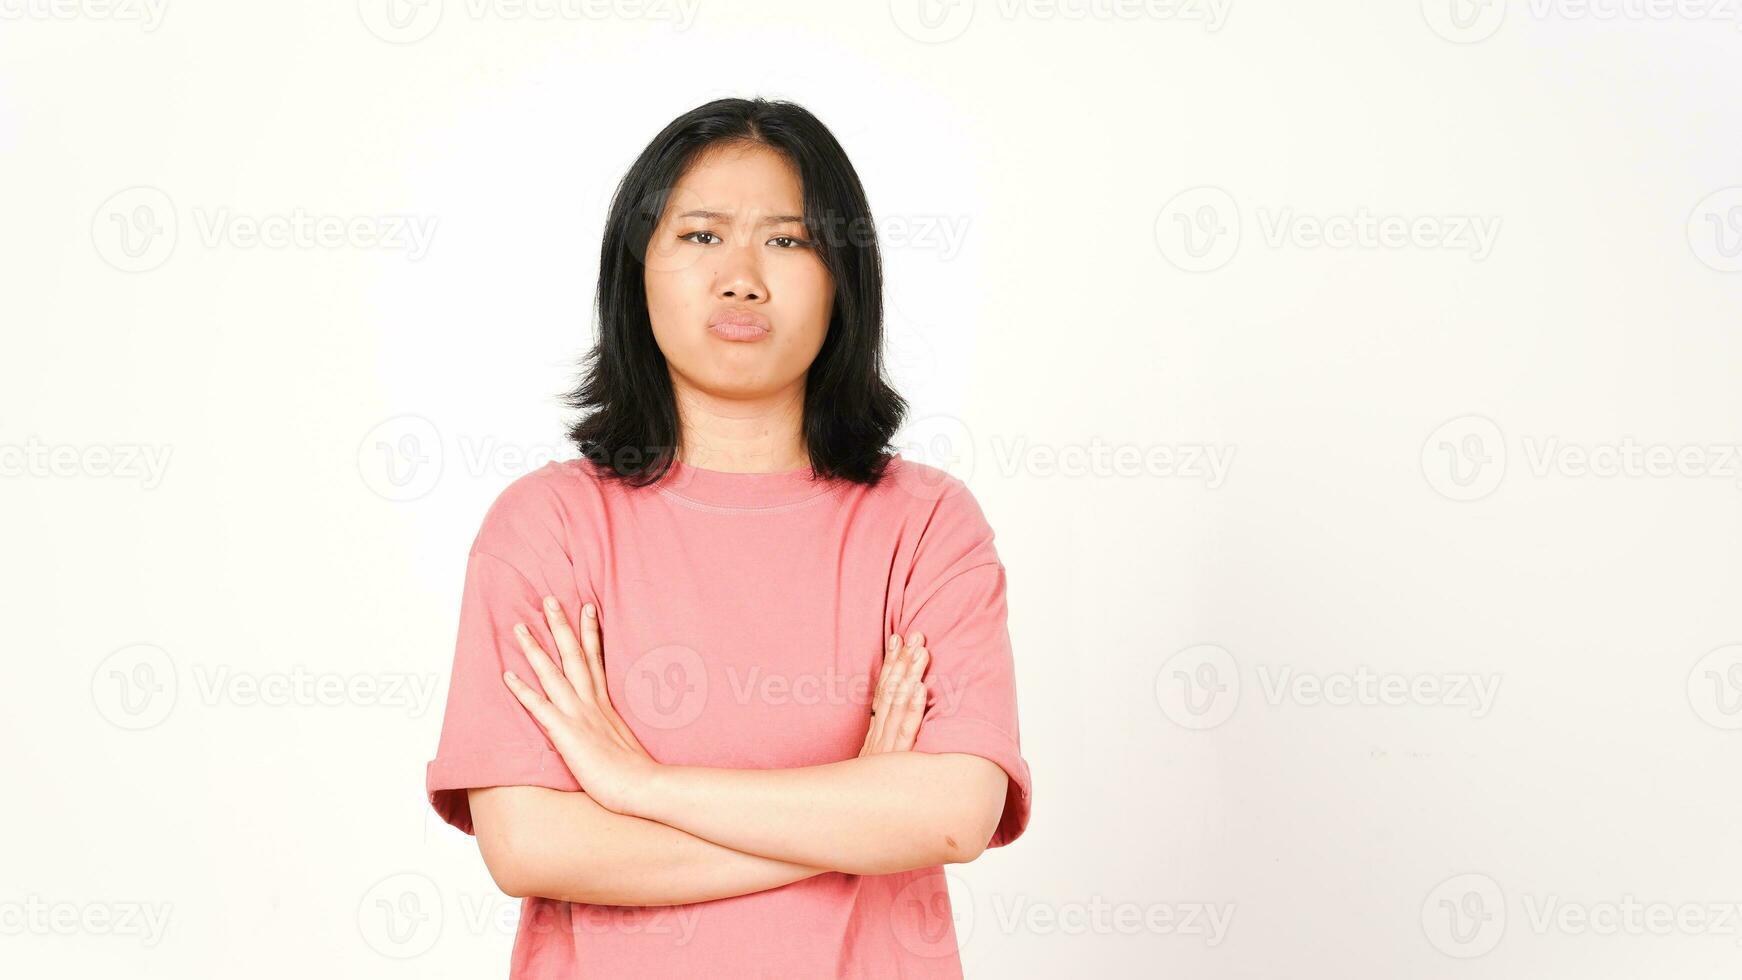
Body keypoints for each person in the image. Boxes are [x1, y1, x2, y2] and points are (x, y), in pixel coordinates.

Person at [424, 96, 1032, 978]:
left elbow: (950, 815)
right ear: (635, 273)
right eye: (701, 237)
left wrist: (642, 790)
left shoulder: (927, 524)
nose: (742, 277)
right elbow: (531, 844)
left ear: (843, 278)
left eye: (788, 241)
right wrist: (854, 816)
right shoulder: (547, 528)